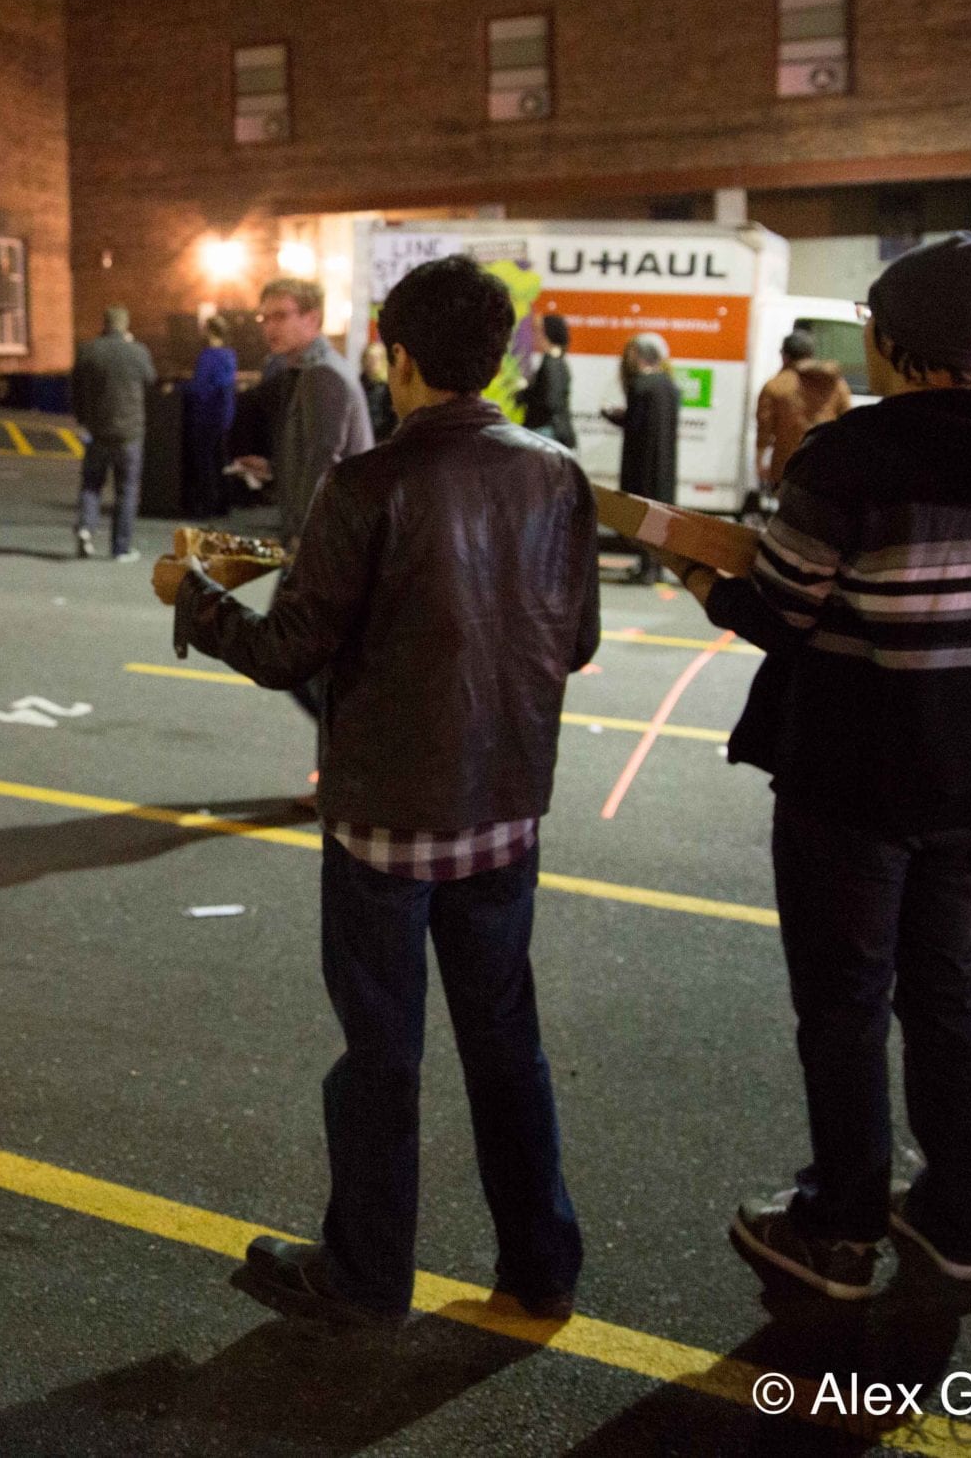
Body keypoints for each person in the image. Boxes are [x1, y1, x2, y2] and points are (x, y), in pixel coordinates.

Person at [165, 254, 597, 1327]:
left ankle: (365, 1274)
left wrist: (197, 598)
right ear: (492, 358)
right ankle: (540, 1261)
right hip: (503, 811)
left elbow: (286, 651)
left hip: (385, 828)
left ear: (398, 359)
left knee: (381, 1056)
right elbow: (574, 638)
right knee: (506, 1042)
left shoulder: (368, 485)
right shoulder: (555, 472)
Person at [667, 234, 971, 1301]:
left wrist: (697, 573)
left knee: (845, 1001)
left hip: (852, 778)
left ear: (889, 342)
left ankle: (839, 1226)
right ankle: (954, 1219)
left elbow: (783, 613)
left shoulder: (845, 458)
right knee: (948, 993)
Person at [229, 277, 375, 545]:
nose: (270, 327)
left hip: (326, 532)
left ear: (313, 319)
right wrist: (274, 468)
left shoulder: (321, 373)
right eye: (265, 318)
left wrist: (304, 532)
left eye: (281, 316)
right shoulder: (310, 369)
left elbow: (324, 459)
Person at [69, 305, 154, 560]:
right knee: (126, 490)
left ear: (104, 324)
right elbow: (150, 380)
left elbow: (75, 389)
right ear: (126, 325)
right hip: (129, 433)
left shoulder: (88, 351)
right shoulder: (137, 352)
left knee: (92, 484)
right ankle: (121, 547)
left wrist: (83, 419)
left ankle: (85, 528)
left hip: (98, 431)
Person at [602, 333, 679, 582]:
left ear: (638, 356)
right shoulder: (670, 386)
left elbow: (634, 424)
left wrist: (612, 415)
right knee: (658, 518)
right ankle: (655, 567)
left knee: (641, 516)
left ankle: (646, 568)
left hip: (641, 464)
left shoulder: (640, 386)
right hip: (664, 465)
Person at [756, 329, 851, 489]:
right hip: (826, 466)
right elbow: (848, 420)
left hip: (788, 467)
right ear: (811, 354)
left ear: (785, 356)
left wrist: (759, 461)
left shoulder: (775, 385)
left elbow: (764, 428)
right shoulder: (834, 383)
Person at [181, 316, 239, 516]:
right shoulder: (230, 355)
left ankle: (207, 504)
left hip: (206, 415)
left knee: (205, 462)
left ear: (209, 331)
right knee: (220, 459)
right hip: (224, 415)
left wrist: (179, 387)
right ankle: (224, 503)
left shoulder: (208, 356)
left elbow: (200, 387)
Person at [517, 314, 576, 450]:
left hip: (546, 431)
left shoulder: (552, 362)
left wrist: (526, 393)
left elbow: (551, 401)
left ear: (547, 332)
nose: (535, 335)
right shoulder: (555, 360)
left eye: (538, 330)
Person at [359, 340, 397, 443]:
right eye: (369, 358)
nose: (371, 362)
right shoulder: (358, 385)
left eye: (375, 358)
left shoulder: (389, 388)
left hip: (381, 439)